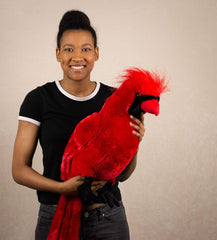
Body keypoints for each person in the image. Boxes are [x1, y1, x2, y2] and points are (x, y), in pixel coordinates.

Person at [12, 10, 145, 240]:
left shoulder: (115, 100)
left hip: (107, 219)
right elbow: (19, 170)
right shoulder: (39, 99)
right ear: (57, 54)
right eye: (68, 49)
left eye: (85, 49)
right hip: (55, 216)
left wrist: (135, 141)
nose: (77, 57)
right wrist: (62, 188)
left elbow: (122, 175)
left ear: (96, 53)